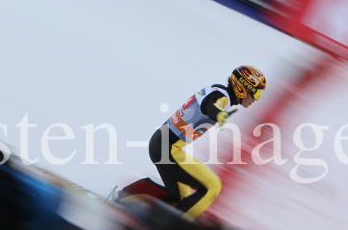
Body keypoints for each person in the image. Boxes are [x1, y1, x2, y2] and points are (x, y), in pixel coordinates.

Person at [112, 65, 266, 221]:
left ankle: (129, 199)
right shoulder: (222, 97)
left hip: (164, 146)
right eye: (256, 93)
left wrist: (217, 112)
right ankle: (170, 229)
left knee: (180, 196)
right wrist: (218, 113)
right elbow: (209, 105)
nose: (256, 99)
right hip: (168, 149)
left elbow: (209, 103)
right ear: (243, 88)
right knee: (212, 187)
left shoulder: (217, 90)